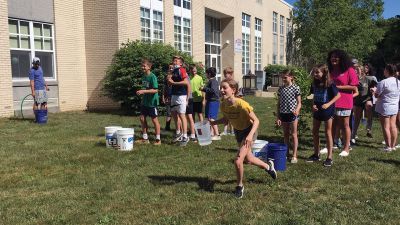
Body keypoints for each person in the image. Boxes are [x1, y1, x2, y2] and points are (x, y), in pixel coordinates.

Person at [211, 78, 277, 198]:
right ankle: (268, 166)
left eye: (224, 88)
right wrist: (213, 123)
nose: (221, 90)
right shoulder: (224, 105)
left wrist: (250, 136)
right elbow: (227, 119)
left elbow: (256, 120)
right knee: (249, 158)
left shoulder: (242, 104)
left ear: (233, 90)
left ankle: (239, 186)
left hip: (249, 131)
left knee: (238, 160)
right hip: (238, 132)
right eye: (221, 88)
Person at [307, 64, 341, 167]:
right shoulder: (314, 84)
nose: (315, 74)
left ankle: (329, 157)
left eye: (317, 72)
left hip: (328, 111)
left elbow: (338, 95)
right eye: (314, 72)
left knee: (327, 133)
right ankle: (316, 154)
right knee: (315, 131)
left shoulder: (330, 84)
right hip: (317, 111)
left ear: (324, 73)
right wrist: (313, 105)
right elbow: (312, 96)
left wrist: (328, 104)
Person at [327, 49, 359, 157]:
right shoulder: (331, 70)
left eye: (336, 57)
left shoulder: (349, 70)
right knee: (332, 125)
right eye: (332, 57)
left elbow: (354, 86)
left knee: (345, 125)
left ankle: (346, 148)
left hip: (345, 101)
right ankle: (330, 146)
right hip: (332, 101)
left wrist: (338, 87)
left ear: (342, 58)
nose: (333, 58)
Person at [371, 64, 399, 152]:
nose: (384, 71)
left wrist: (373, 91)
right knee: (393, 126)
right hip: (394, 106)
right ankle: (393, 145)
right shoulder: (398, 82)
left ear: (387, 71)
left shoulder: (384, 82)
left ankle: (388, 147)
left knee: (386, 127)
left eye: (385, 70)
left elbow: (377, 95)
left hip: (385, 106)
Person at [276, 70, 302, 163]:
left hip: (292, 114)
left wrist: (297, 110)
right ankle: (286, 153)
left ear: (291, 77)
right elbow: (278, 104)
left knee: (294, 134)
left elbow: (299, 103)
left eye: (285, 77)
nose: (283, 79)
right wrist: (278, 117)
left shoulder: (296, 88)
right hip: (283, 114)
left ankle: (294, 155)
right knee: (286, 134)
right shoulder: (281, 88)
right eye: (282, 77)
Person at [136, 59, 161, 145]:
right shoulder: (144, 76)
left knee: (154, 120)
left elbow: (155, 90)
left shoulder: (152, 76)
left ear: (149, 67)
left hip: (152, 102)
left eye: (144, 66)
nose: (142, 67)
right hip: (145, 102)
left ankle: (158, 140)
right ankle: (145, 138)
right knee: (142, 118)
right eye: (142, 66)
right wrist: (141, 92)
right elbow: (145, 88)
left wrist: (143, 91)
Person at [351, 64, 377, 143]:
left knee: (369, 106)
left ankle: (369, 127)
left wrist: (374, 89)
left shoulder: (369, 79)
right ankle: (353, 136)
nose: (357, 71)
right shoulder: (353, 79)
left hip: (367, 99)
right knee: (357, 118)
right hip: (357, 101)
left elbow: (375, 86)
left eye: (359, 70)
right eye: (356, 70)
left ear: (362, 72)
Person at [168, 56, 190, 146]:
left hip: (181, 95)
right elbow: (169, 83)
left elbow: (186, 82)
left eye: (176, 61)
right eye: (174, 60)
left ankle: (185, 136)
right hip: (174, 95)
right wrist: (169, 79)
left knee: (182, 115)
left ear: (180, 63)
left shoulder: (182, 70)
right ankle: (178, 132)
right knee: (173, 113)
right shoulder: (173, 71)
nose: (174, 62)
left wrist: (173, 83)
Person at [202, 67, 221, 140]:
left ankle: (217, 134)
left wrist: (203, 89)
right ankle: (211, 133)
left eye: (206, 73)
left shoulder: (213, 81)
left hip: (213, 101)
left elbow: (213, 90)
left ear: (209, 74)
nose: (206, 74)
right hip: (210, 101)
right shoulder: (211, 81)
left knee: (211, 118)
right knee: (208, 117)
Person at [363, 63, 378, 138]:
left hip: (369, 97)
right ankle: (353, 133)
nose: (365, 69)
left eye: (367, 67)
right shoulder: (360, 76)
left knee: (369, 114)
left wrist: (373, 90)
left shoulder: (373, 77)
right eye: (364, 67)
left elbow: (376, 87)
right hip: (359, 98)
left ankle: (369, 129)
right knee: (356, 116)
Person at [221, 67, 235, 135]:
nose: (226, 75)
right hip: (224, 101)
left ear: (231, 74)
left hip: (231, 101)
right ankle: (225, 130)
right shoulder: (223, 82)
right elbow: (222, 91)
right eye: (225, 73)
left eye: (228, 73)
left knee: (231, 116)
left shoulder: (232, 82)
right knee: (225, 116)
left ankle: (232, 130)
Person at [162, 64, 174, 131]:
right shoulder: (166, 76)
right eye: (170, 68)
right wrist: (163, 96)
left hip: (175, 96)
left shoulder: (176, 76)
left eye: (172, 68)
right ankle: (167, 127)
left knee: (176, 113)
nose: (171, 69)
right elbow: (164, 87)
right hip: (168, 97)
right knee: (168, 113)